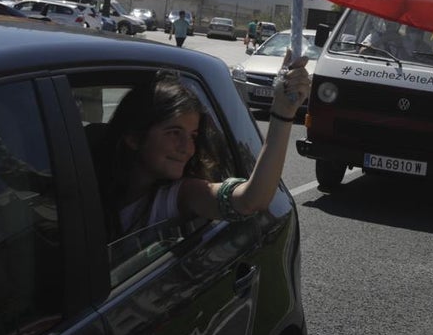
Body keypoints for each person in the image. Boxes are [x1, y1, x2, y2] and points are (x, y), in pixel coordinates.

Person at [98, 55, 311, 237]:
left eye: (193, 136)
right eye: (174, 133)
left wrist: (283, 113)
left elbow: (251, 200)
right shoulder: (89, 184)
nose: (187, 148)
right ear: (134, 138)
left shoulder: (179, 195)